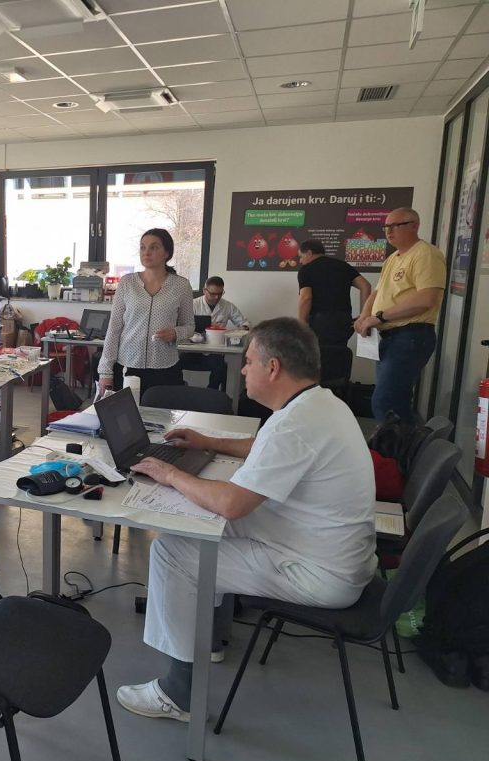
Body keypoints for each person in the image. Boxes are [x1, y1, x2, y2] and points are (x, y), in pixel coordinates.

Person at [116, 318, 375, 723]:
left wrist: (169, 473)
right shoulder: (320, 404)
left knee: (173, 552)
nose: (242, 370)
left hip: (318, 571)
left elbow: (233, 504)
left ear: (273, 368)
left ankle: (178, 694)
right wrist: (208, 441)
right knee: (198, 522)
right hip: (324, 546)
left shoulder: (295, 424)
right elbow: (264, 446)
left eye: (249, 361)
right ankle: (210, 639)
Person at [354, 208, 445, 424]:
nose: (389, 231)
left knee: (386, 401)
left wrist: (380, 317)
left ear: (414, 226)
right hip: (390, 337)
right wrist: (364, 316)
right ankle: (403, 443)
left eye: (396, 225)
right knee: (393, 401)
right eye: (386, 227)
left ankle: (402, 445)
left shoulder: (425, 254)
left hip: (411, 335)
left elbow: (426, 298)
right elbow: (378, 292)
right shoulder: (393, 258)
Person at [97, 228, 193, 397]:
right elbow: (114, 328)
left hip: (165, 368)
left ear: (167, 253)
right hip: (127, 366)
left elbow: (190, 326)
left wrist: (176, 333)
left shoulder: (181, 286)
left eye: (154, 247)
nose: (146, 252)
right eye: (143, 247)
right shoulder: (127, 283)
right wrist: (105, 371)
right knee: (127, 413)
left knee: (162, 413)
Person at [297, 239, 371, 347]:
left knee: (318, 354)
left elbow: (306, 298)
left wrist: (302, 324)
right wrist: (363, 314)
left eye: (301, 256)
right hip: (344, 321)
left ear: (309, 253)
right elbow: (365, 285)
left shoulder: (306, 270)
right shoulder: (343, 265)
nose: (300, 261)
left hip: (320, 323)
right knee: (339, 352)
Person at [184, 276, 248, 390]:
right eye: (213, 294)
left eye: (220, 293)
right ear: (205, 290)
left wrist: (240, 329)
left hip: (216, 351)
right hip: (193, 350)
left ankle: (211, 392)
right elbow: (183, 326)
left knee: (219, 365)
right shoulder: (193, 304)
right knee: (175, 363)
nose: (217, 297)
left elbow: (244, 323)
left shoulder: (227, 306)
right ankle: (180, 389)